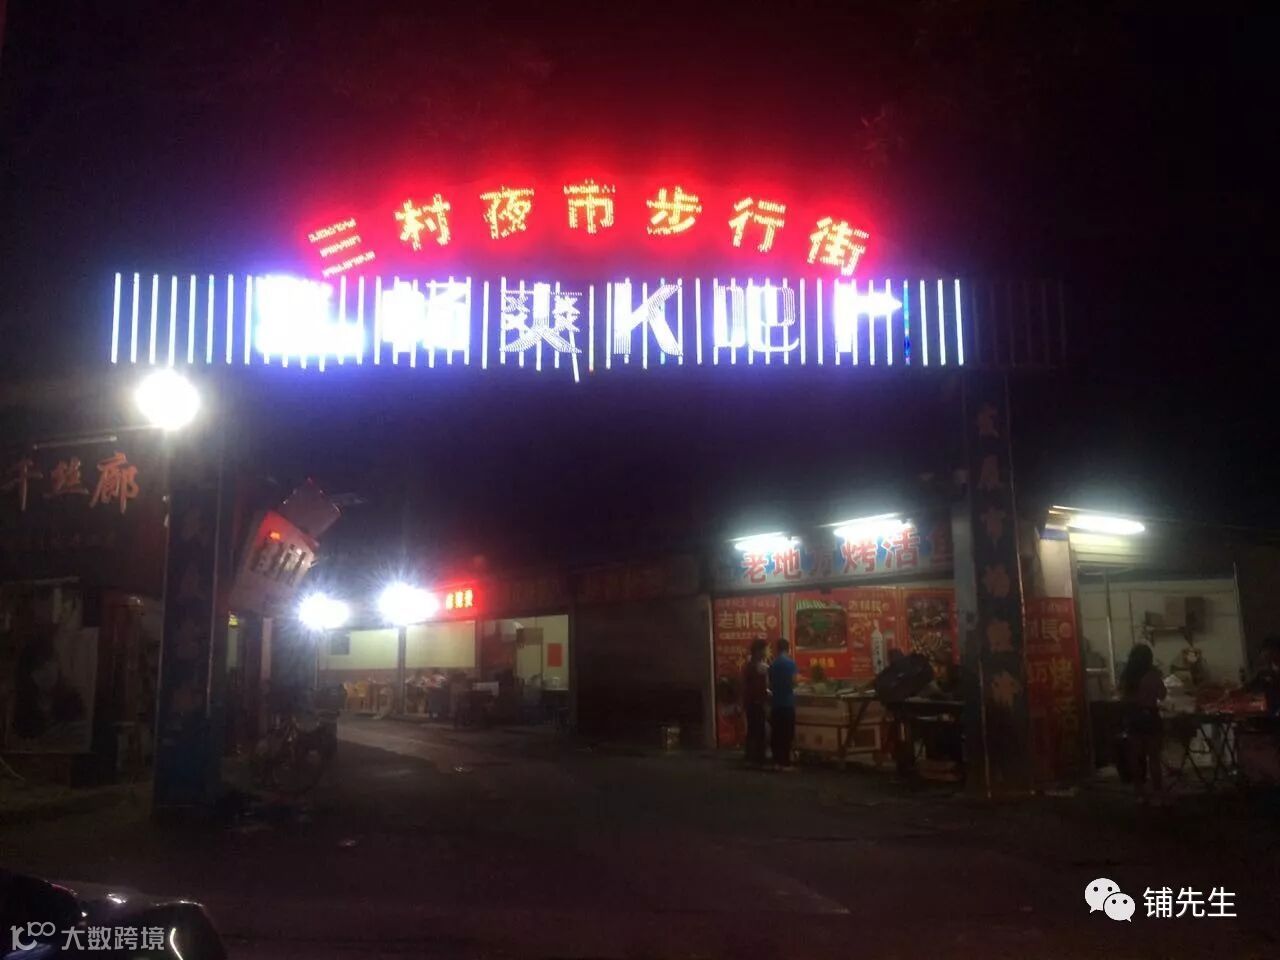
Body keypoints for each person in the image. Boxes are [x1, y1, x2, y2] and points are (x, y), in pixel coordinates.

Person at [1119, 643, 1167, 802]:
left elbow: (1122, 697)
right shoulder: (1152, 675)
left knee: (1135, 757)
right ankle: (1157, 792)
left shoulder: (1127, 676)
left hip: (1133, 717)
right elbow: (1162, 695)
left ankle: (1139, 791)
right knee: (1153, 757)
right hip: (1150, 717)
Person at [768, 638, 798, 769]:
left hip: (776, 704)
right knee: (787, 734)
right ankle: (785, 763)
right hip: (787, 703)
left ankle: (776, 762)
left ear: (777, 649)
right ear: (788, 649)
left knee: (776, 734)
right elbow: (794, 682)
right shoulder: (790, 663)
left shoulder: (773, 664)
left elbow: (770, 684)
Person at [742, 640, 769, 766]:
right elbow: (760, 686)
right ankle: (758, 758)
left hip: (751, 703)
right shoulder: (758, 667)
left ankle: (750, 757)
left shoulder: (749, 665)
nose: (766, 652)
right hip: (756, 702)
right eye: (764, 649)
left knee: (752, 730)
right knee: (758, 730)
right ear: (758, 651)